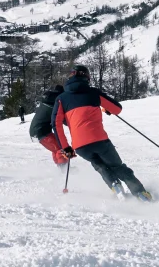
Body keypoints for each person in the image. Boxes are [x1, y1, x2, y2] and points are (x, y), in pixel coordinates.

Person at [52, 65, 153, 202]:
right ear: (86, 77)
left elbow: (56, 124)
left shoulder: (61, 98)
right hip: (100, 140)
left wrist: (66, 148)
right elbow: (117, 109)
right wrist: (106, 108)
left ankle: (115, 185)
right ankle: (140, 194)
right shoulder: (94, 93)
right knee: (117, 166)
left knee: (99, 165)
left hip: (80, 146)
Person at [29, 85, 68, 166]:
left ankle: (60, 166)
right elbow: (61, 120)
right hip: (41, 132)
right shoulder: (54, 106)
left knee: (58, 146)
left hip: (40, 131)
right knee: (61, 148)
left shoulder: (47, 103)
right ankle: (63, 168)